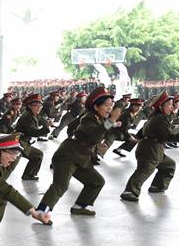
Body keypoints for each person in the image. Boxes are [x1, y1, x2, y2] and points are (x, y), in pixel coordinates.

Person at [35, 88, 120, 217]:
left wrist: (111, 125)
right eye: (106, 105)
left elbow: (93, 132)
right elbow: (94, 135)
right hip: (67, 156)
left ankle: (80, 206)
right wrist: (111, 122)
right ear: (96, 107)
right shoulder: (88, 118)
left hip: (82, 158)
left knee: (96, 181)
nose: (109, 108)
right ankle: (41, 212)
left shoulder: (100, 119)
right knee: (60, 185)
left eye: (111, 105)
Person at [120, 93, 179, 202]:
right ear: (161, 106)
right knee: (144, 170)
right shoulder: (160, 118)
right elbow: (168, 136)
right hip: (151, 149)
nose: (172, 107)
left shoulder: (155, 116)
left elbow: (142, 131)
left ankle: (157, 186)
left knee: (169, 165)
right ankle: (129, 191)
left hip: (153, 147)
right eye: (169, 104)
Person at [13, 93, 51, 181]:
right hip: (19, 143)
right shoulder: (27, 116)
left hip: (23, 142)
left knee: (38, 155)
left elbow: (41, 119)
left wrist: (46, 123)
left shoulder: (32, 114)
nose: (39, 108)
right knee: (11, 165)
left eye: (40, 106)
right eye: (36, 105)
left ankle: (29, 174)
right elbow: (33, 132)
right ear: (29, 106)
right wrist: (46, 127)